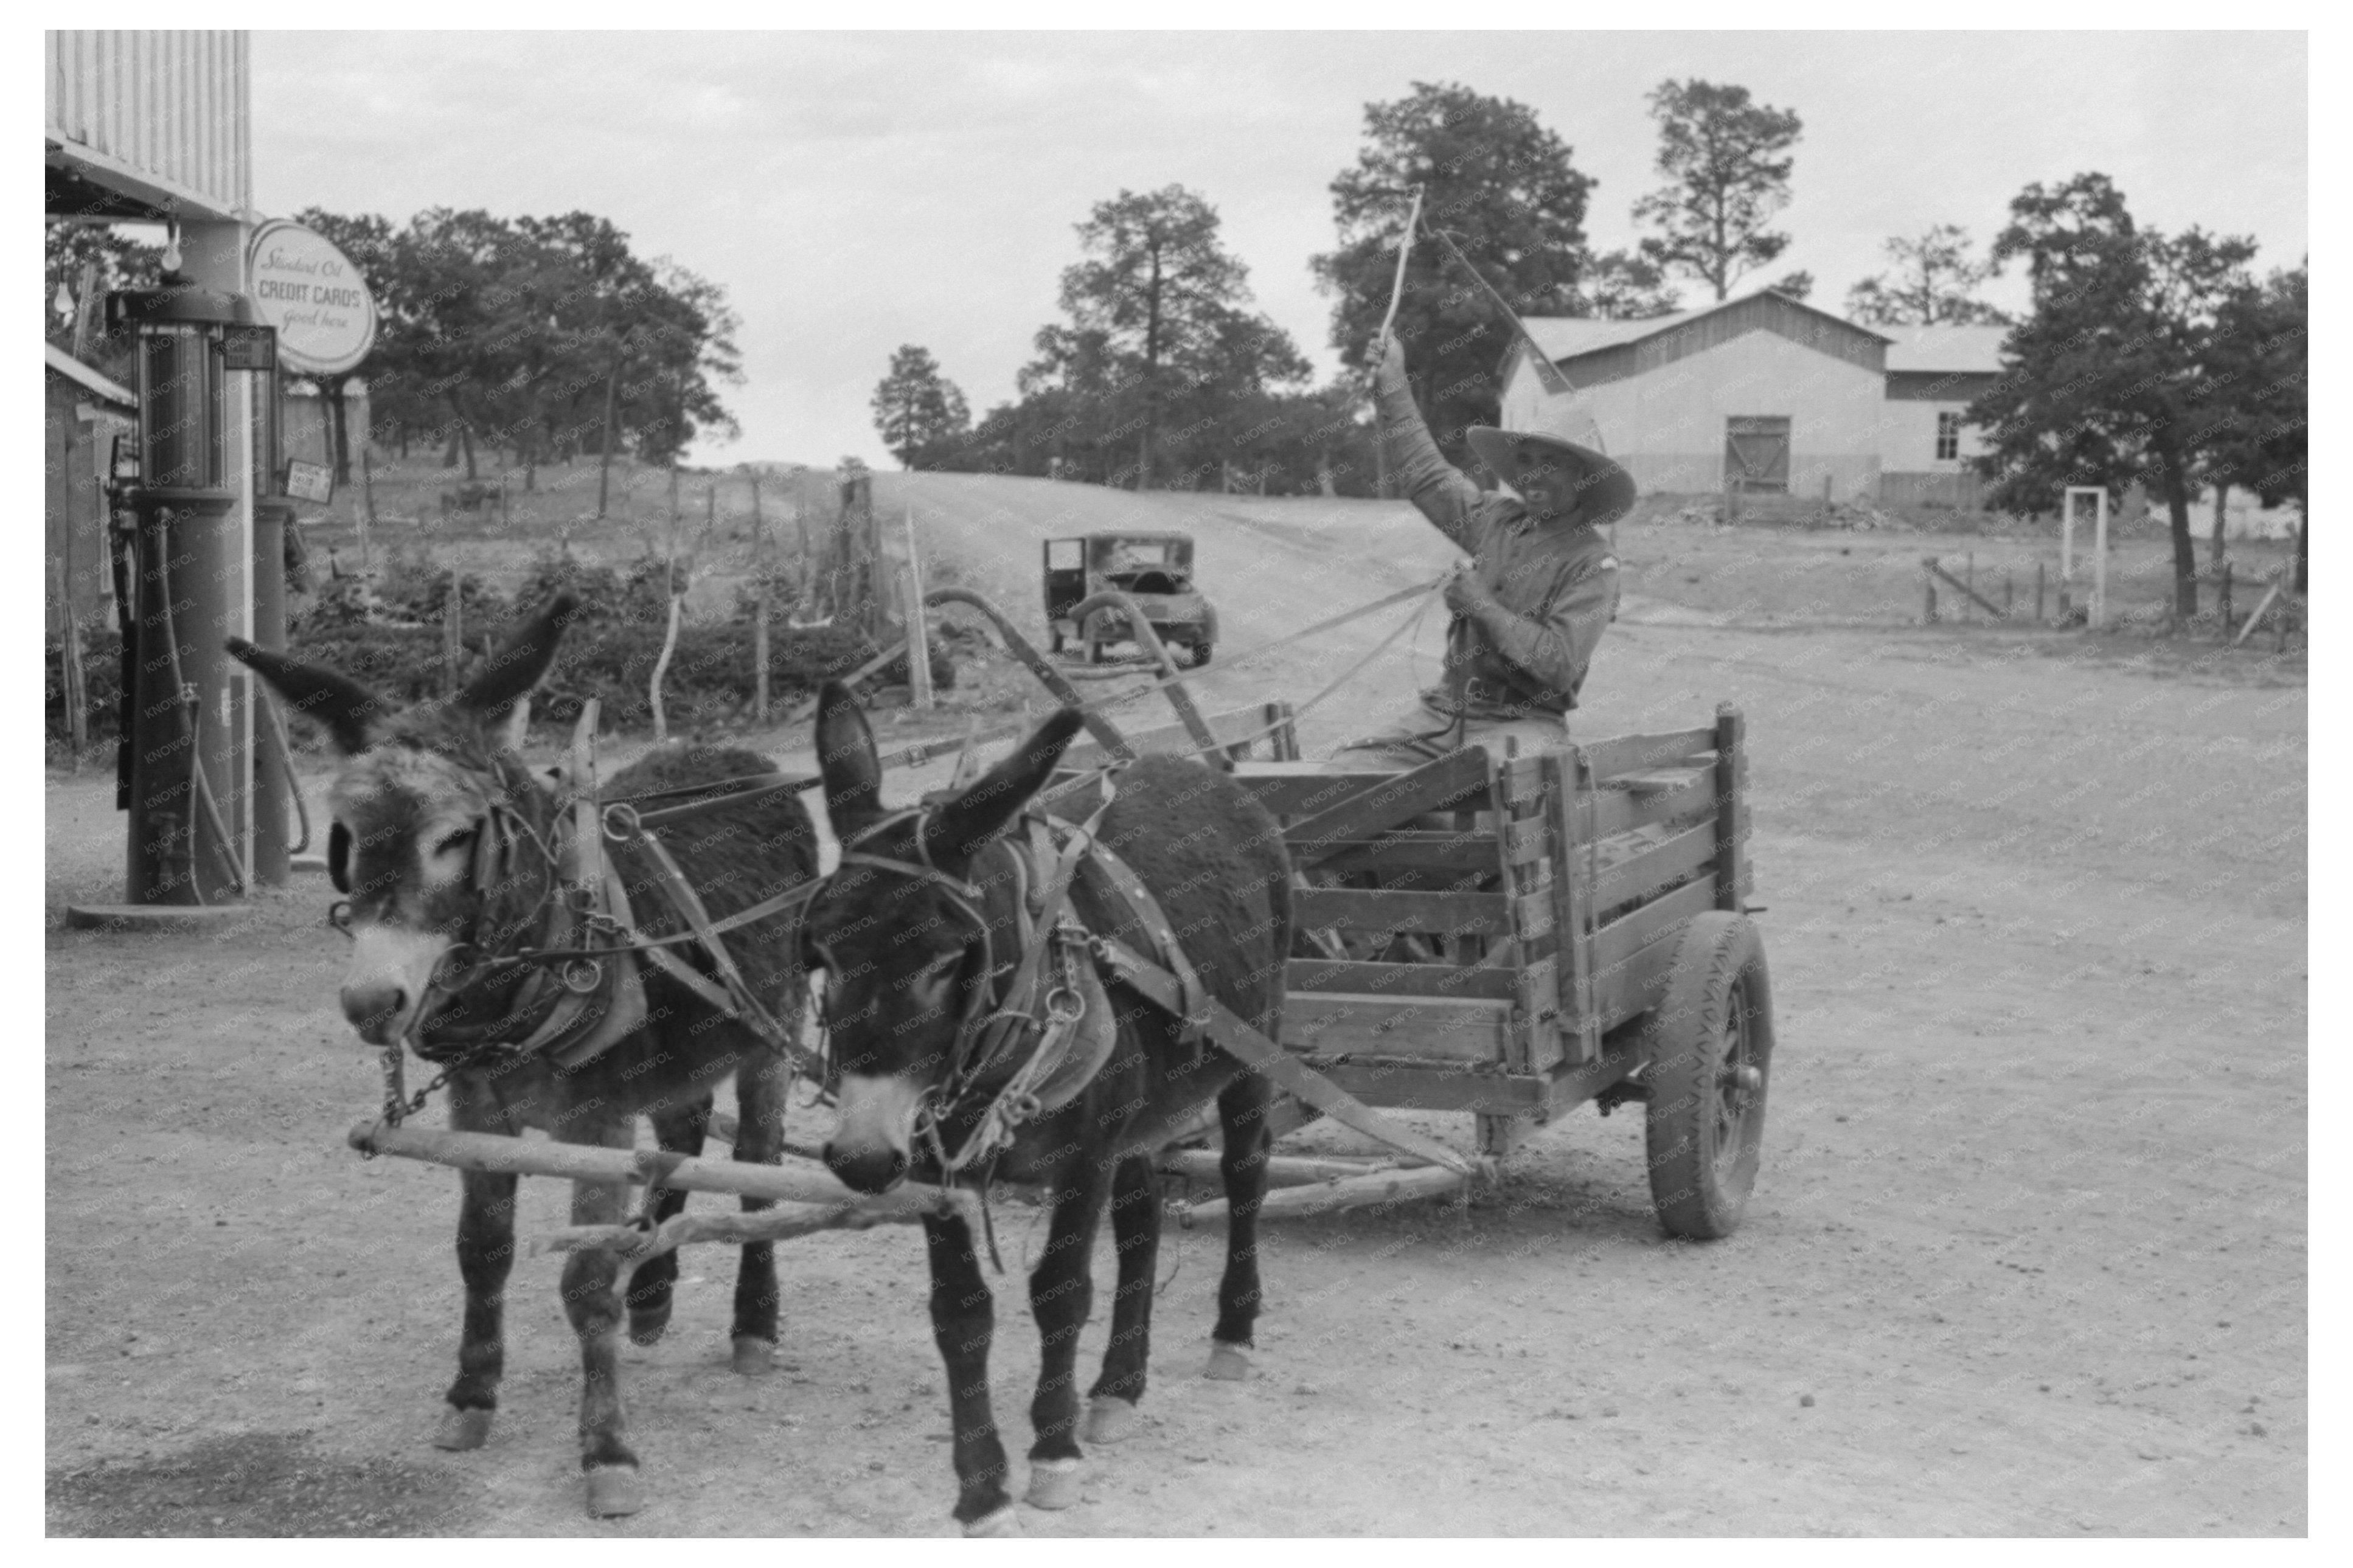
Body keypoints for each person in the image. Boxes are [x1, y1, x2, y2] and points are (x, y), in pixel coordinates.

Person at [1333, 334, 1637, 768]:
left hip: (1525, 724)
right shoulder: (1496, 519)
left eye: (1550, 464)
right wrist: (1393, 383)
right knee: (1341, 779)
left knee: (1486, 788)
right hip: (1444, 713)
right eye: (1527, 461)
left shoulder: (1594, 563)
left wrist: (1480, 605)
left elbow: (1560, 664)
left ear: (1583, 478)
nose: (1532, 475)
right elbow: (1426, 476)